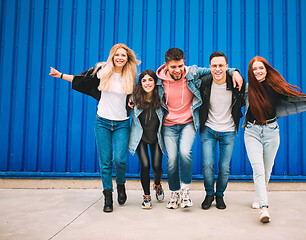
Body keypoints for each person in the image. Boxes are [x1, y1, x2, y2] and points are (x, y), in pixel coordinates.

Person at [49, 43, 140, 213]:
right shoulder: (102, 72)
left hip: (122, 123)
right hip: (103, 122)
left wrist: (132, 100)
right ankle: (108, 196)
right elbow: (81, 80)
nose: (120, 58)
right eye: (117, 55)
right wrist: (60, 75)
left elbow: (134, 93)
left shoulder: (130, 74)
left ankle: (121, 185)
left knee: (119, 159)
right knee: (105, 161)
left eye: (123, 55)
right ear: (112, 56)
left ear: (127, 59)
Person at [243, 56, 306, 223]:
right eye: (254, 69)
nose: (258, 71)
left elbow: (296, 99)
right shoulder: (247, 90)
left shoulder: (275, 88)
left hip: (271, 131)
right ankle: (264, 208)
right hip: (251, 132)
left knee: (267, 170)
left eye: (261, 68)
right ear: (251, 72)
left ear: (266, 69)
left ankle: (258, 197)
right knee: (258, 170)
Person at [156, 48, 243, 209]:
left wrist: (235, 72)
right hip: (169, 125)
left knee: (185, 153)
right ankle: (175, 192)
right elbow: (142, 87)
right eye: (173, 67)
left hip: (189, 122)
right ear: (166, 65)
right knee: (172, 159)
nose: (177, 70)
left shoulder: (192, 73)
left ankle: (187, 191)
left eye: (180, 66)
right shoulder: (158, 80)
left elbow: (218, 68)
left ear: (184, 63)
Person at [199, 52, 246, 210]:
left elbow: (246, 99)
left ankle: (220, 195)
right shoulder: (204, 82)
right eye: (214, 66)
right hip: (209, 129)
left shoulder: (236, 83)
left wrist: (236, 72)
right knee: (207, 164)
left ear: (227, 67)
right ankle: (209, 194)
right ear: (210, 67)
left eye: (221, 65)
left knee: (224, 167)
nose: (217, 69)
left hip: (229, 130)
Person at [128, 69, 165, 209]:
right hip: (140, 138)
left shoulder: (161, 96)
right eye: (144, 80)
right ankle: (146, 196)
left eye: (150, 80)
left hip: (156, 137)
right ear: (140, 83)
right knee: (145, 165)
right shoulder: (135, 97)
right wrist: (128, 100)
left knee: (157, 166)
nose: (147, 83)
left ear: (155, 82)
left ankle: (157, 184)